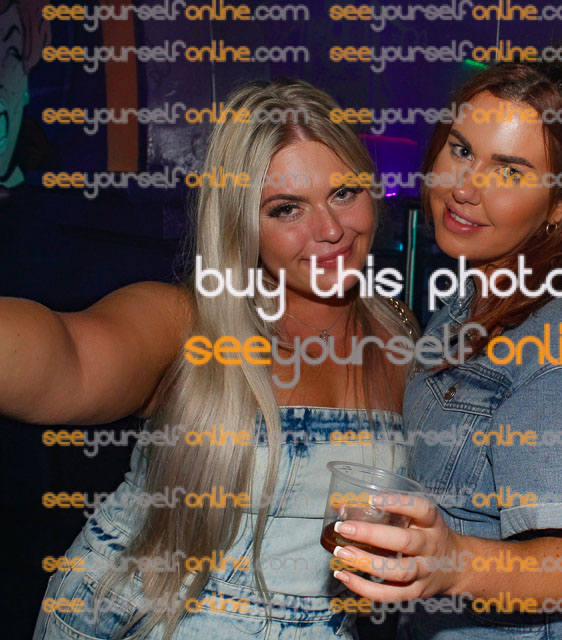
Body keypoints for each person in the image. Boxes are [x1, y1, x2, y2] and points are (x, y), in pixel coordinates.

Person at [5, 78, 417, 639]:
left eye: (344, 193)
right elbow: (67, 355)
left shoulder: (399, 330)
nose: (331, 230)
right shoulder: (187, 324)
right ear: (241, 223)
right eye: (287, 209)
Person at [329, 60, 562, 639]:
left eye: (510, 171)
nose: (464, 187)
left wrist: (452, 563)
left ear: (559, 205)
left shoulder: (559, 342)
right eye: (461, 149)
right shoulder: (469, 303)